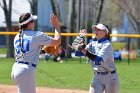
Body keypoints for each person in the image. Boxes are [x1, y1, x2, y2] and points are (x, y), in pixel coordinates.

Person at [11, 13, 61, 93]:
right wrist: (56, 26)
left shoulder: (18, 36)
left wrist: (43, 51)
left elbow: (28, 53)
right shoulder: (36, 35)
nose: (34, 23)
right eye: (33, 21)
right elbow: (57, 41)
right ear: (30, 24)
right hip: (26, 71)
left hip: (16, 69)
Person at [79, 23, 119, 93]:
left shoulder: (107, 45)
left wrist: (85, 51)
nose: (96, 31)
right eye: (95, 29)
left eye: (99, 29)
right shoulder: (92, 44)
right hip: (97, 77)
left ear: (105, 32)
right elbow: (78, 52)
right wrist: (81, 38)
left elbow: (98, 59)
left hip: (110, 77)